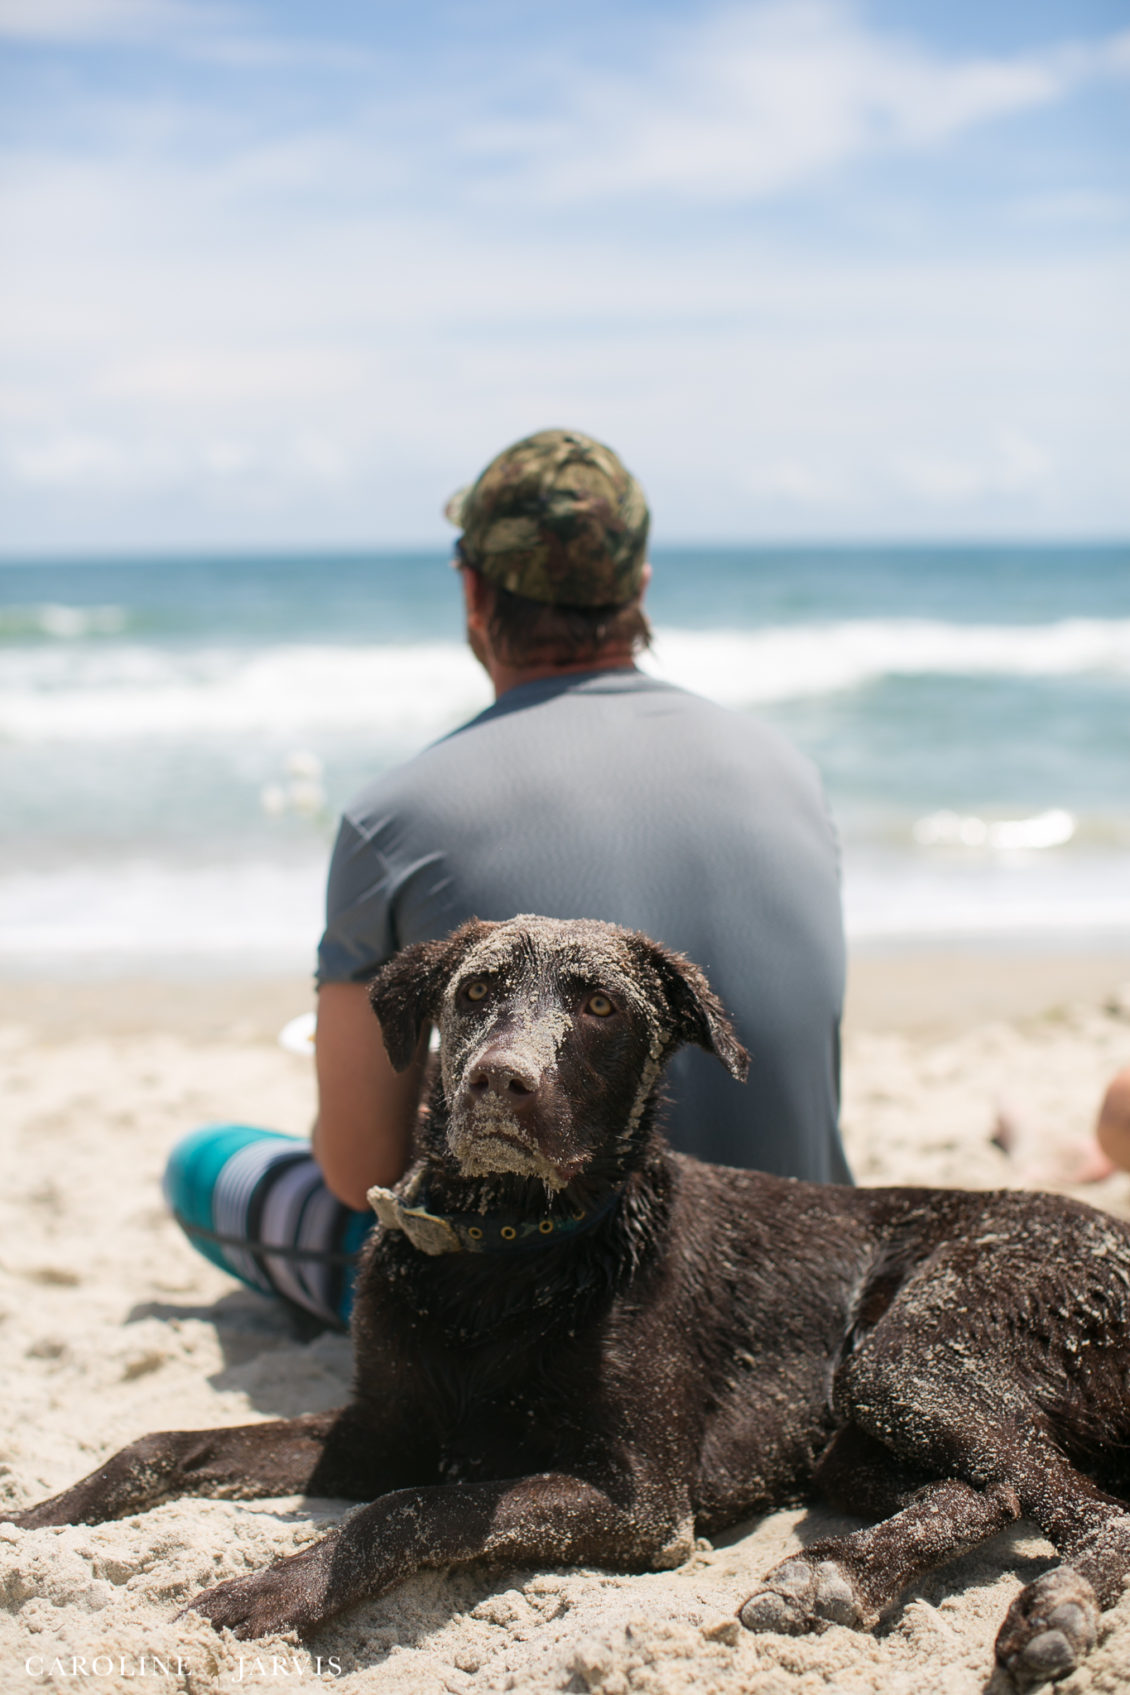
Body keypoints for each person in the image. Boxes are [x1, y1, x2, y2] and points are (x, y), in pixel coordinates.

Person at [165, 428, 850, 1327]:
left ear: (473, 589)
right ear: (639, 587)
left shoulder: (394, 814)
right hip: (801, 1271)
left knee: (206, 1164)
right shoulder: (788, 771)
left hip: (582, 1308)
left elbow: (358, 1167)